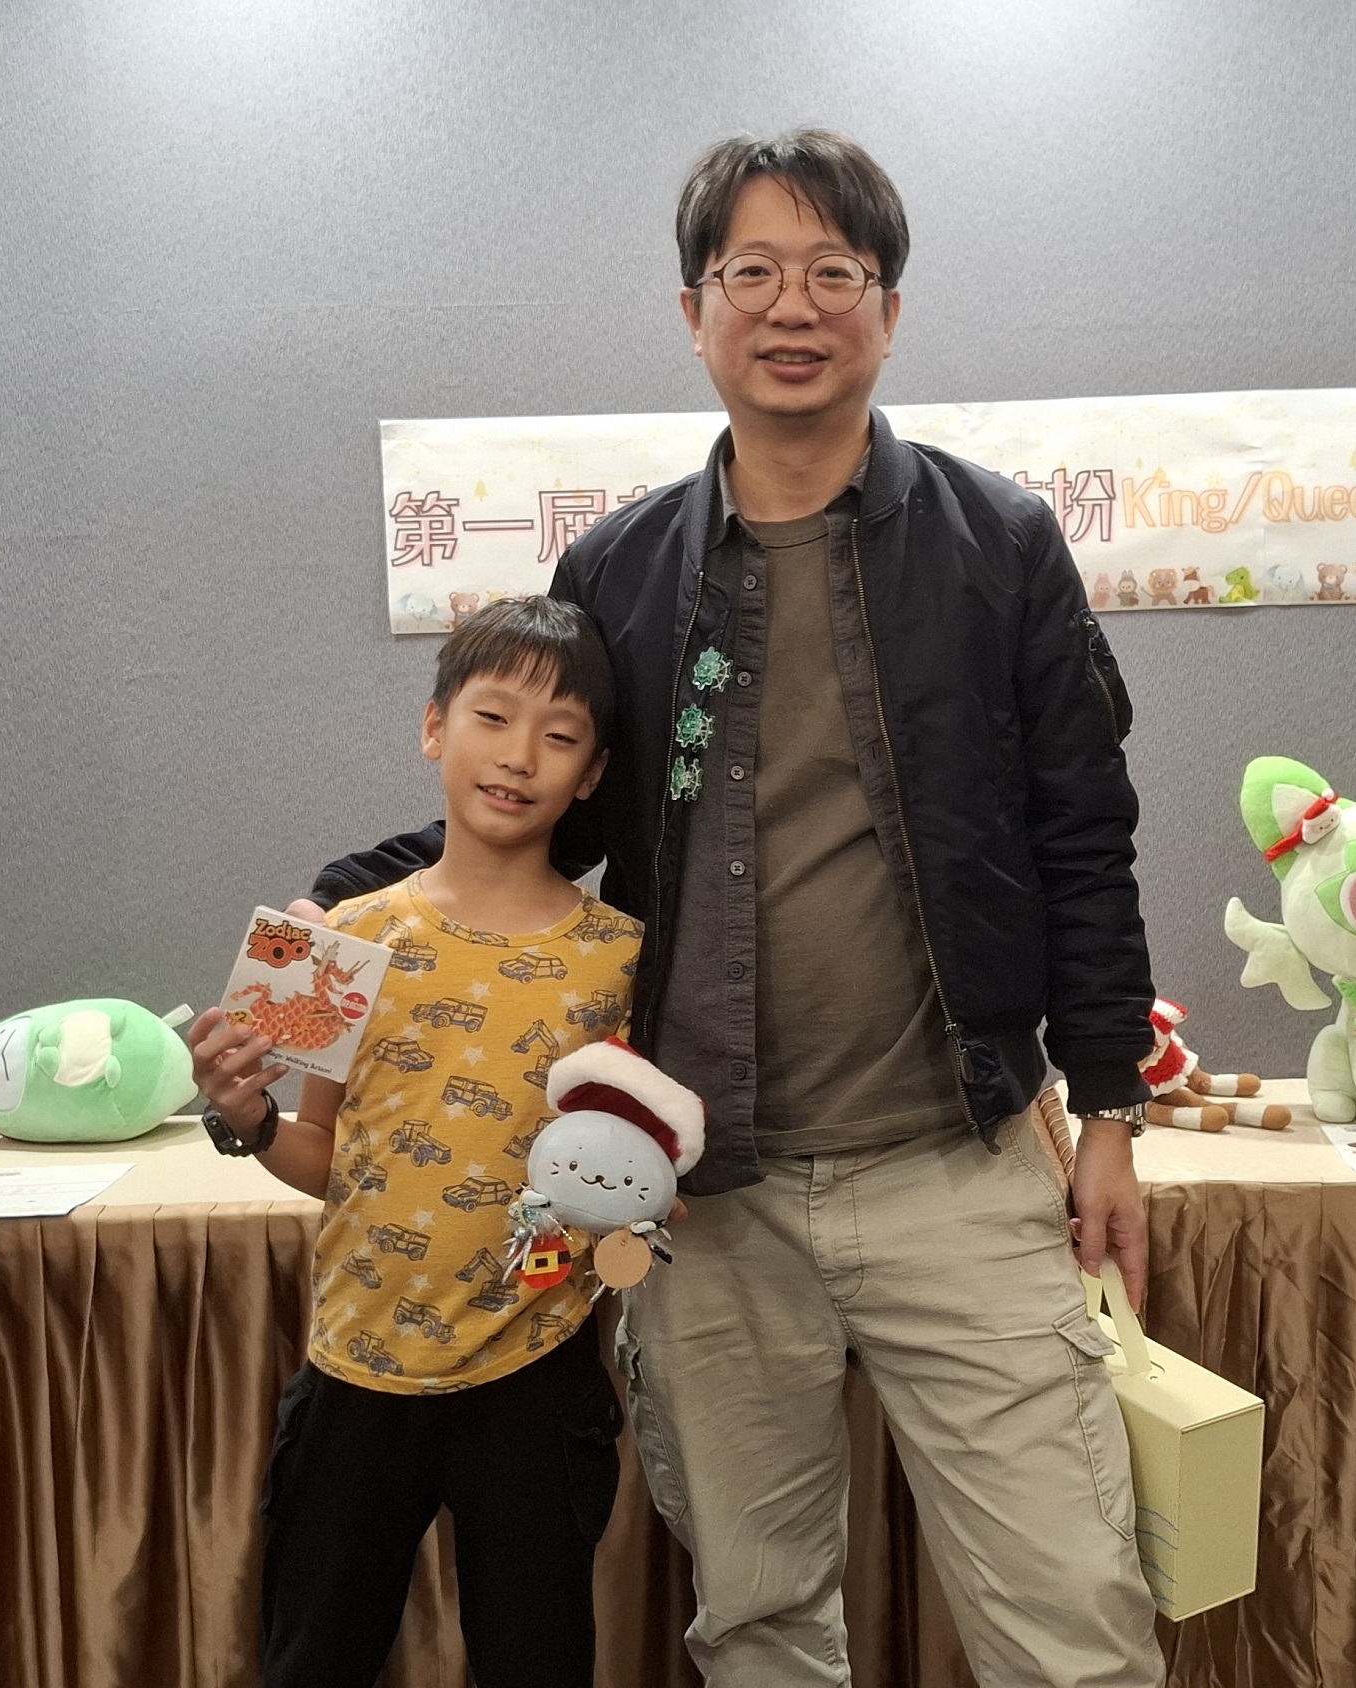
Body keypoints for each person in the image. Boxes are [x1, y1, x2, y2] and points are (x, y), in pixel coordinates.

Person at [313, 130, 1164, 1685]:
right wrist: (337, 924)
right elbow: (549, 813)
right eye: (751, 272)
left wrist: (1109, 1106)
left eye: (834, 272)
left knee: (1075, 1625)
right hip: (709, 1199)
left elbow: (1083, 834)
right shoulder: (623, 568)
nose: (793, 307)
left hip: (957, 1164)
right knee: (760, 1626)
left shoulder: (999, 545)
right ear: (694, 312)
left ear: (888, 310)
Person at [188, 595, 646, 1688]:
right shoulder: (342, 940)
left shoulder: (626, 958)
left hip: (536, 1373)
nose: (519, 755)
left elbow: (637, 1158)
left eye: (559, 736)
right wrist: (248, 1120)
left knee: (537, 1663)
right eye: (492, 717)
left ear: (591, 775)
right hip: (356, 1370)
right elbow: (321, 1154)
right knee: (315, 1658)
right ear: (435, 727)